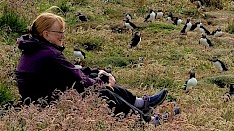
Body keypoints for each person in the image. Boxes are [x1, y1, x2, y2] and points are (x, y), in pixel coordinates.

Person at [15, 12, 168, 123]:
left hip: (44, 95)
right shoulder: (48, 54)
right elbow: (77, 78)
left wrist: (97, 73)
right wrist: (104, 84)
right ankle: (146, 120)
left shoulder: (37, 48)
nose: (63, 35)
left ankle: (141, 104)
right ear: (46, 34)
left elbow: (71, 69)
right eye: (59, 32)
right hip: (45, 103)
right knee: (101, 92)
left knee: (97, 80)